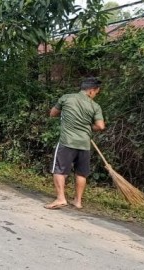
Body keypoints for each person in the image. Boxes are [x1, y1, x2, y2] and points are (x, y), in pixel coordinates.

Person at [45, 77, 105, 210]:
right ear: (91, 91)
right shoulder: (95, 106)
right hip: (84, 144)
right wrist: (88, 128)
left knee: (59, 170)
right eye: (96, 93)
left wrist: (65, 114)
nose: (95, 95)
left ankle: (61, 198)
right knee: (81, 173)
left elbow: (52, 113)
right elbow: (100, 126)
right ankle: (77, 201)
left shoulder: (67, 98)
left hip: (67, 141)